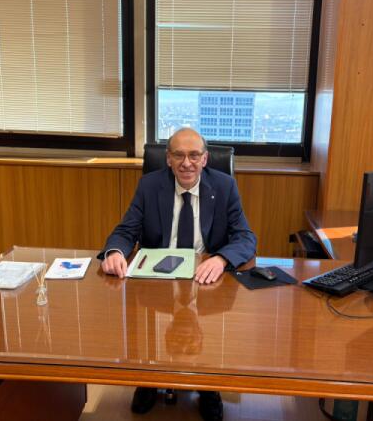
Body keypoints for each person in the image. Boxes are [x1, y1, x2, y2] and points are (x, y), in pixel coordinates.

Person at [98, 128, 256, 421]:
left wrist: (221, 258)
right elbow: (126, 230)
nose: (187, 163)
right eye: (179, 155)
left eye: (194, 155)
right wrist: (115, 252)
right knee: (144, 324)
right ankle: (149, 379)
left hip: (206, 279)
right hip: (156, 278)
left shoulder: (225, 186)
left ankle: (208, 386)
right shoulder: (150, 186)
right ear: (168, 159)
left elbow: (245, 237)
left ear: (205, 159)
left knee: (210, 322)